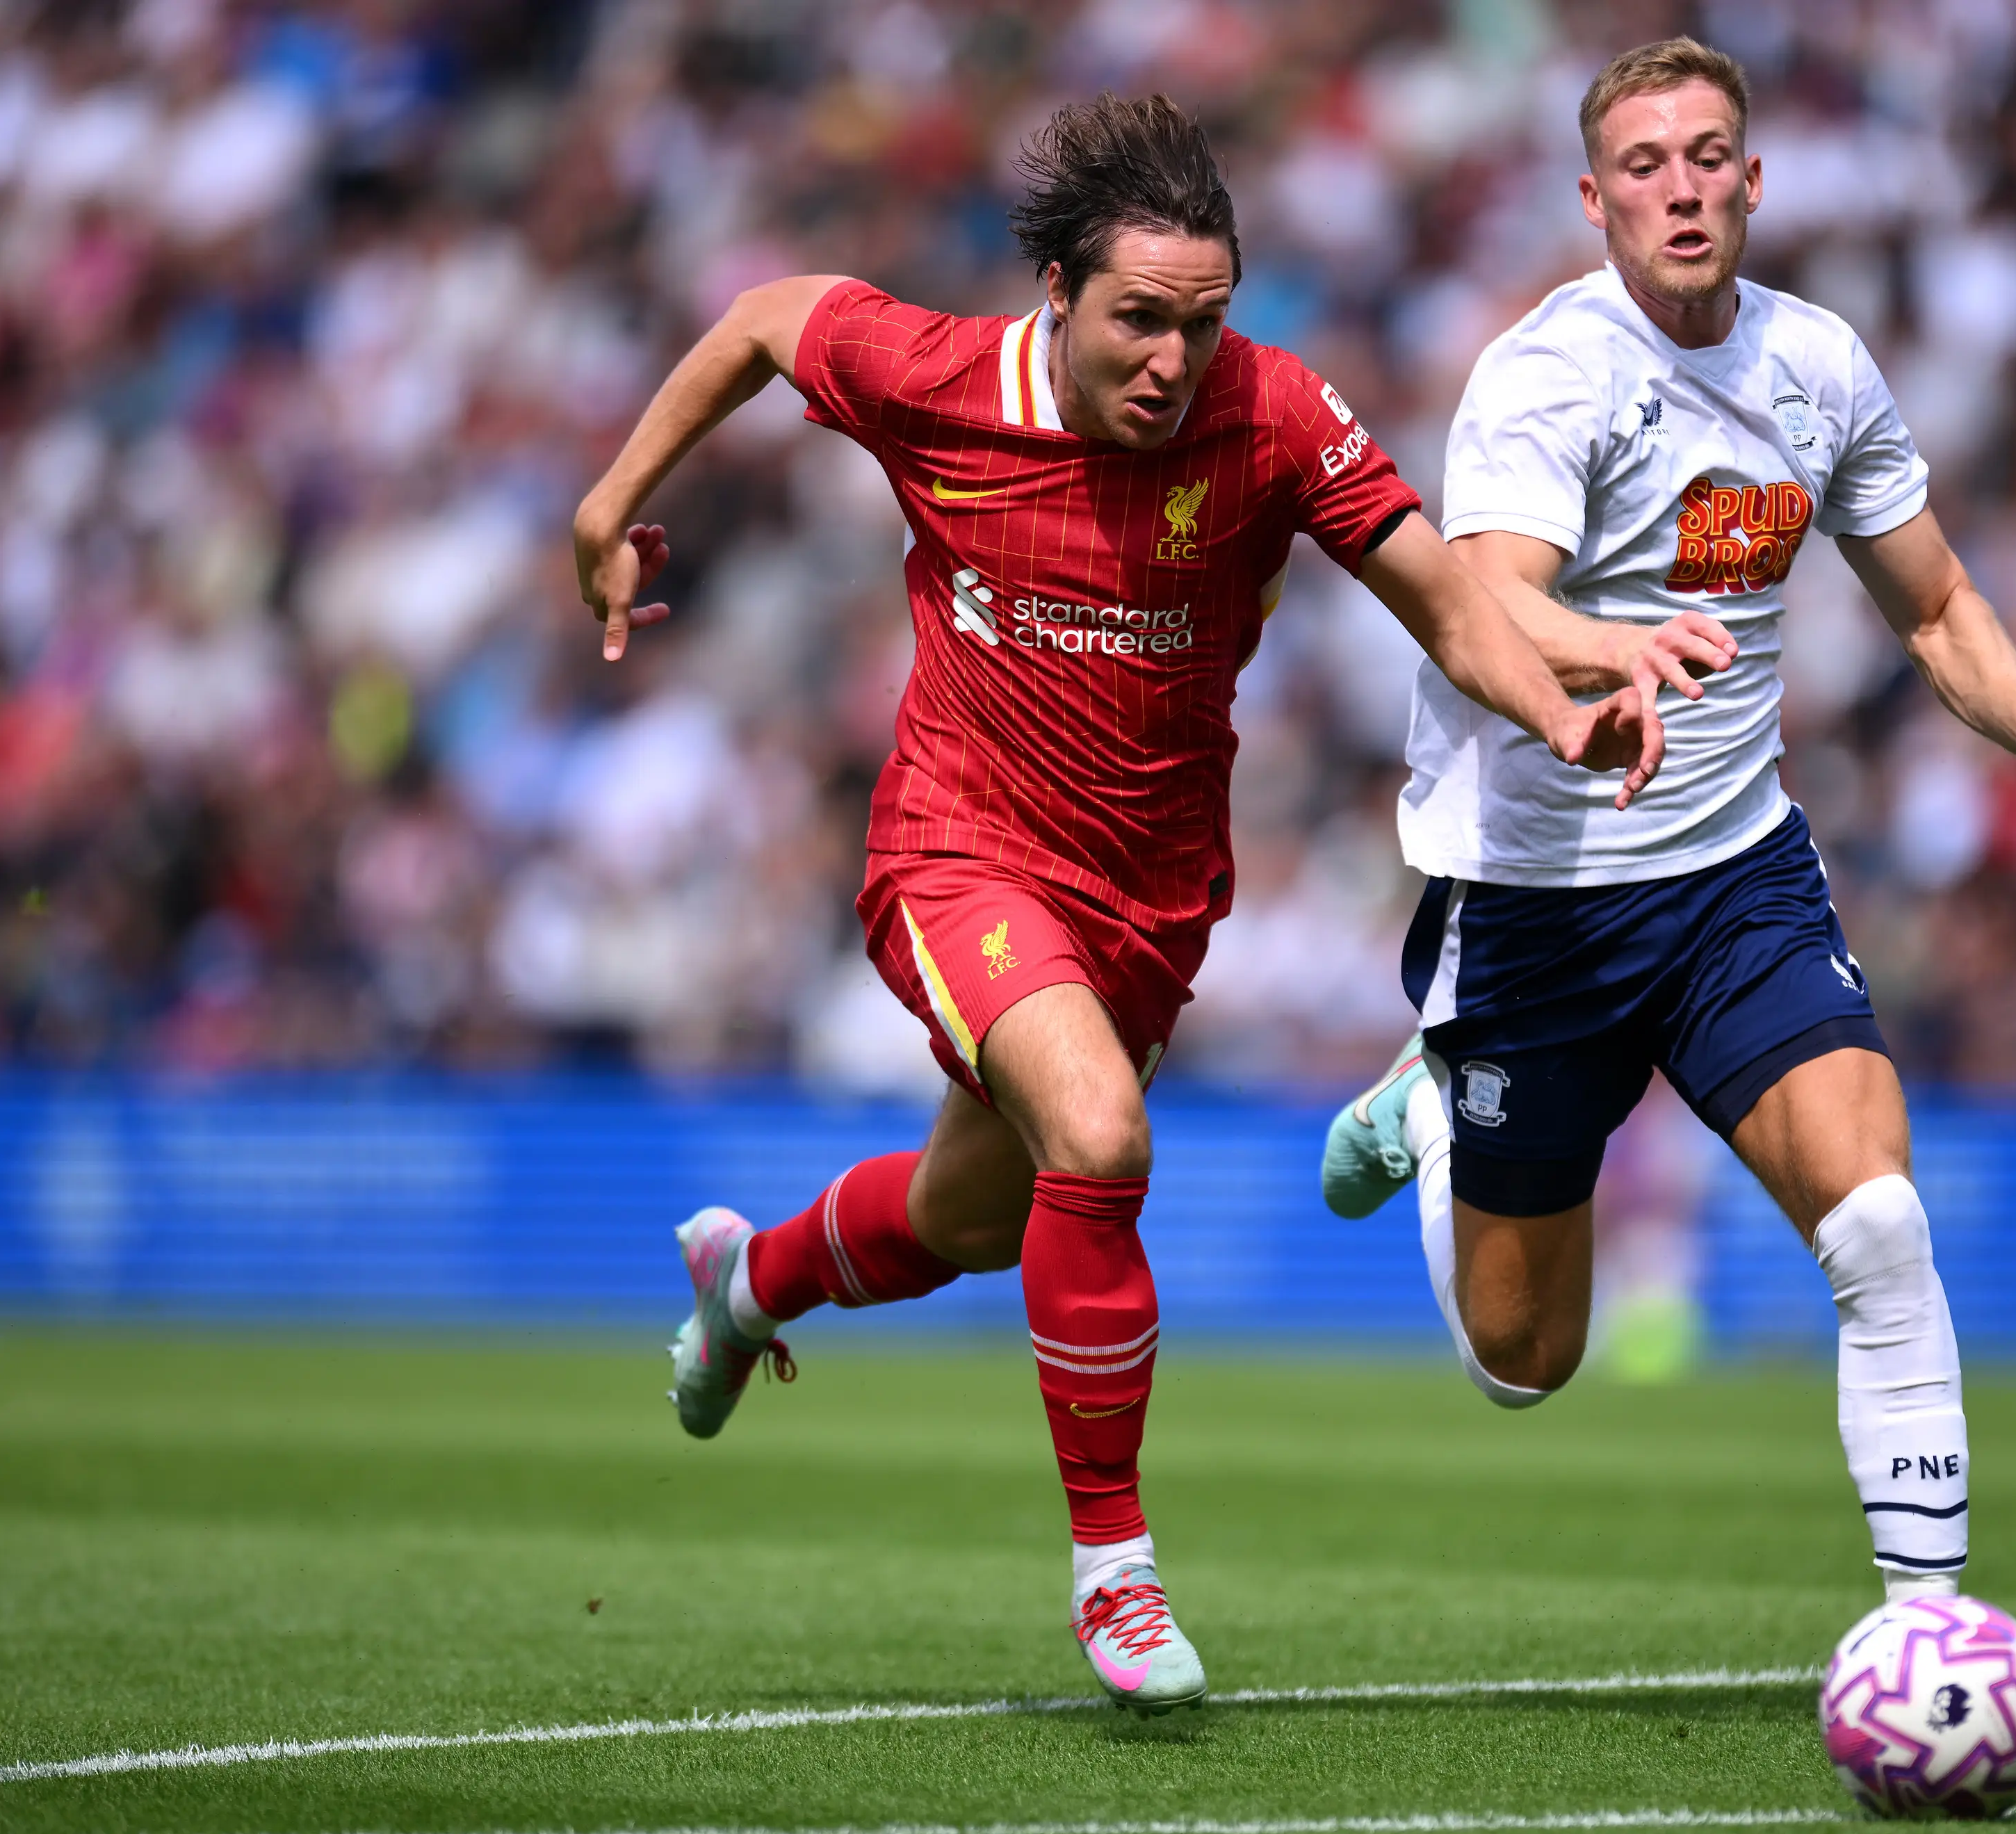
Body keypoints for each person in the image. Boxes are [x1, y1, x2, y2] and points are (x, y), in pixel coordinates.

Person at [571, 95, 1661, 1715]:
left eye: (1203, 322)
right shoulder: (934, 376)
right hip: (956, 853)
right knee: (1096, 1137)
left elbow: (1444, 595)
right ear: (1056, 296)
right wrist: (605, 507)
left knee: (972, 1219)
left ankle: (750, 1283)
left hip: (1150, 903)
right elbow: (758, 320)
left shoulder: (1275, 414)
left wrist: (1560, 697)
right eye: (1139, 320)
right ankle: (1116, 1571)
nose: (1172, 359)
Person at [1319, 39, 2016, 1605]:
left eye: (1709, 154)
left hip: (1734, 877)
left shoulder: (1819, 365)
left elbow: (1937, 603)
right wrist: (1606, 649)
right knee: (1525, 1358)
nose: (1682, 187)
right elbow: (1487, 600)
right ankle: (1436, 1110)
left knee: (1884, 1225)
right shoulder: (1547, 371)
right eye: (1644, 166)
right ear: (1594, 200)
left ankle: (1934, 1637)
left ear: (1755, 180)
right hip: (1538, 894)